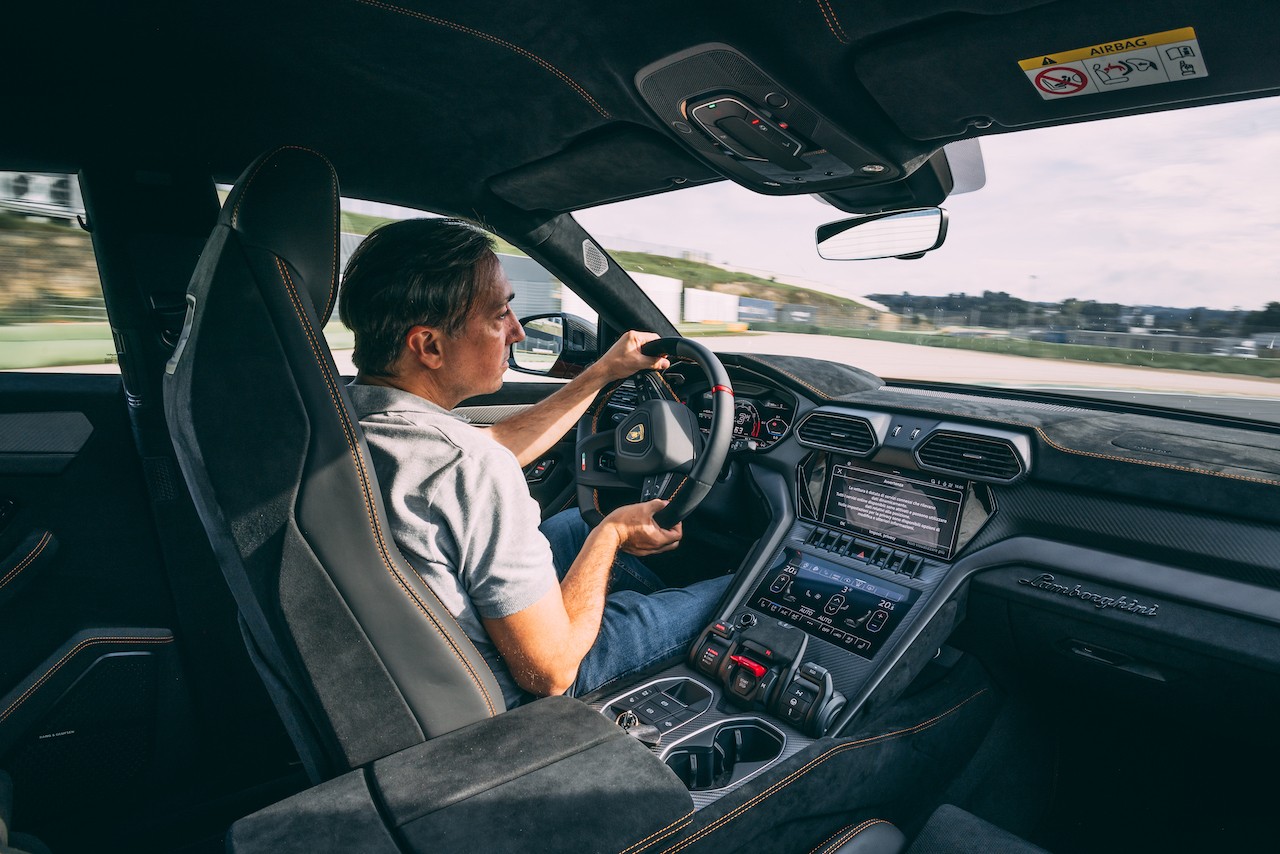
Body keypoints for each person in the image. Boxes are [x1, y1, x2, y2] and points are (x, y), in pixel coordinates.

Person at [339, 217, 733, 708]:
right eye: (499, 314)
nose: (518, 333)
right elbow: (549, 671)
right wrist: (610, 534)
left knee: (571, 524)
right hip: (505, 696)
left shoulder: (348, 416)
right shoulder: (467, 466)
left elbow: (495, 445)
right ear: (429, 346)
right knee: (744, 588)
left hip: (413, 660)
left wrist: (603, 373)